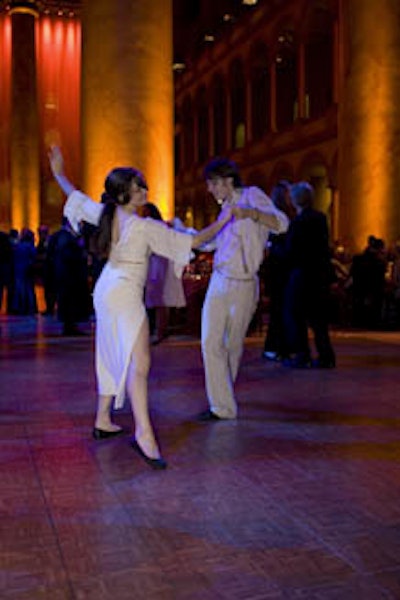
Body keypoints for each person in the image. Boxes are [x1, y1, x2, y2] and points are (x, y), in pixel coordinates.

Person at [48, 146, 233, 469]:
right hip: (123, 294)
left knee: (110, 352)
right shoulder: (144, 226)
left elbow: (74, 196)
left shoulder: (106, 215)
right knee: (141, 362)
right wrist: (224, 221)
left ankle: (104, 419)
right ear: (124, 195)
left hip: (106, 290)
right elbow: (190, 242)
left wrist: (59, 173)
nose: (145, 191)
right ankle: (144, 434)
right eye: (139, 188)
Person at [198, 157, 289, 421]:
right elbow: (213, 243)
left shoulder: (252, 196)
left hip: (245, 283)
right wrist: (184, 236)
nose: (210, 190)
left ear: (227, 181)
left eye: (213, 184)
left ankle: (223, 405)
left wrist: (251, 213)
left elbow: (282, 224)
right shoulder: (224, 208)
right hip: (219, 279)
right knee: (209, 342)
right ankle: (220, 405)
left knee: (232, 345)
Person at [282, 182, 336, 368]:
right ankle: (326, 356)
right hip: (319, 273)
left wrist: (274, 248)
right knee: (318, 319)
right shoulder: (320, 218)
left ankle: (301, 354)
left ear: (295, 200)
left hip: (302, 274)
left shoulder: (298, 222)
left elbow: (291, 250)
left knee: (295, 315)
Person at [262, 180, 294, 361]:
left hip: (279, 266)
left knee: (282, 308)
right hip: (279, 267)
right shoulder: (278, 217)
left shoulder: (283, 215)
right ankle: (276, 346)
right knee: (279, 308)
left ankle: (279, 345)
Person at [47, 216, 91, 336]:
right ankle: (70, 326)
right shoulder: (66, 237)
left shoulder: (61, 236)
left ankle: (71, 325)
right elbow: (67, 255)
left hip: (66, 275)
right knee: (69, 302)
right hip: (69, 276)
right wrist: (80, 253)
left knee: (69, 302)